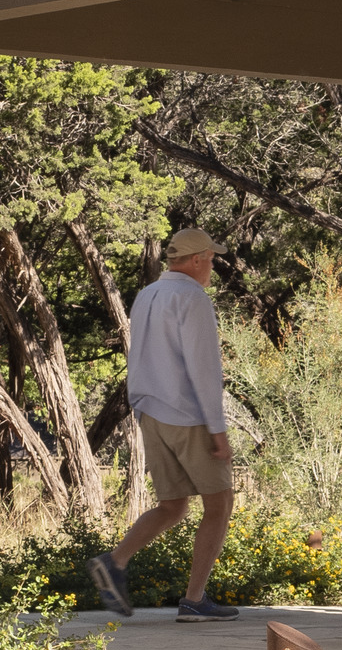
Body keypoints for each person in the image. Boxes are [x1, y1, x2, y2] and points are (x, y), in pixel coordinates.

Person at [92, 226, 242, 622]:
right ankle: (194, 600)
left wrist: (141, 404)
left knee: (173, 505)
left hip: (150, 411)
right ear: (195, 261)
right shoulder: (192, 298)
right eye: (210, 258)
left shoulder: (147, 295)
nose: (213, 266)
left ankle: (115, 561)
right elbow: (203, 368)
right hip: (187, 414)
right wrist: (218, 430)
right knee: (220, 502)